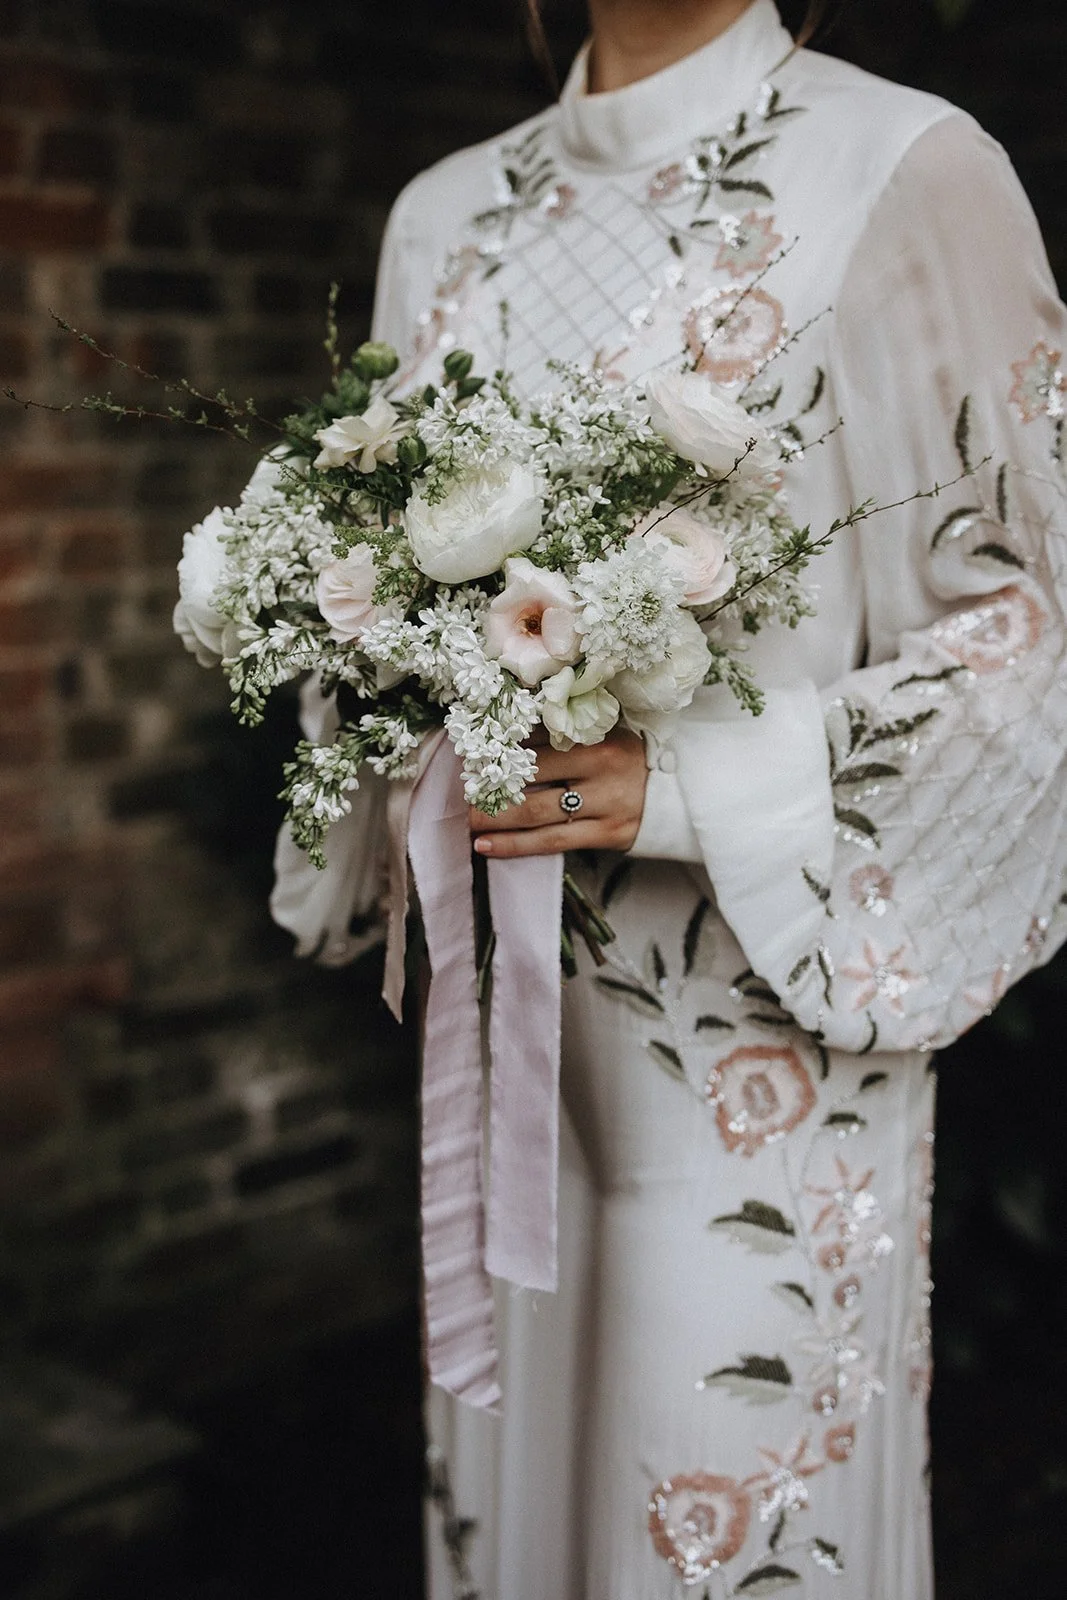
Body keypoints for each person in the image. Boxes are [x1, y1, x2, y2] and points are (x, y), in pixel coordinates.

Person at [272, 1, 1067, 1594]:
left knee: (709, 1518)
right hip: (505, 1033)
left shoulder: (904, 166)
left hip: (762, 1029)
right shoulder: (444, 212)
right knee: (516, 1497)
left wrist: (695, 779)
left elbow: (1032, 621)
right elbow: (368, 570)